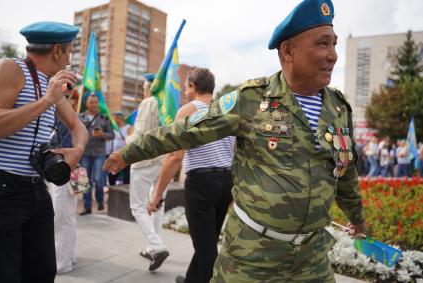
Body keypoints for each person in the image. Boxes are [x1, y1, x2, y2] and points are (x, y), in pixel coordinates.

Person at [104, 0, 365, 281]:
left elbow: (345, 171)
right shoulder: (251, 99)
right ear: (288, 51)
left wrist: (357, 216)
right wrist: (129, 152)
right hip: (252, 255)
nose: (333, 55)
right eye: (323, 44)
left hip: (312, 258)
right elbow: (184, 131)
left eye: (334, 44)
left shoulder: (338, 109)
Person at [0, 21, 88, 283]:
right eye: (69, 51)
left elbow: (77, 126)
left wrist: (77, 150)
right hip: (4, 191)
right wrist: (47, 100)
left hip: (37, 191)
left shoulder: (50, 84)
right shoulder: (11, 69)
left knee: (42, 272)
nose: (69, 59)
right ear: (57, 50)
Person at [147, 68, 235, 283]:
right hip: (225, 181)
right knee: (208, 240)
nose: (185, 91)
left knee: (205, 247)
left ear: (193, 87)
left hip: (202, 183)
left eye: (186, 87)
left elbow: (175, 156)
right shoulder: (226, 112)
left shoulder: (188, 111)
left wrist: (157, 194)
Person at [125, 73, 168, 271]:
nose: (144, 90)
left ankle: (156, 245)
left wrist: (127, 141)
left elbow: (140, 135)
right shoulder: (167, 102)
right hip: (163, 161)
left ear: (149, 87)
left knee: (138, 206)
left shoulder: (148, 103)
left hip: (144, 161)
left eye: (144, 87)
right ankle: (154, 246)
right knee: (157, 204)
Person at [49, 89, 80, 273]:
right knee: (66, 215)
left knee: (62, 217)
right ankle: (68, 255)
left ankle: (62, 262)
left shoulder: (69, 119)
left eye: (67, 98)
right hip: (61, 172)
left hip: (64, 171)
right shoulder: (62, 118)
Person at [79, 94, 115, 215]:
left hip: (99, 154)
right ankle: (87, 206)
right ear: (86, 104)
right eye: (92, 102)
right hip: (84, 153)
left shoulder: (104, 118)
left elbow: (112, 135)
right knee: (85, 181)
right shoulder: (80, 117)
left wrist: (102, 135)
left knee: (99, 179)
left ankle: (100, 202)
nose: (94, 104)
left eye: (96, 102)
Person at [106, 111, 132, 185]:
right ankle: (112, 190)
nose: (114, 120)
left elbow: (131, 139)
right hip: (114, 154)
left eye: (115, 118)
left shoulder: (128, 127)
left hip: (125, 155)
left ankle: (125, 191)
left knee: (126, 175)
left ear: (120, 118)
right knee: (112, 175)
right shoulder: (113, 128)